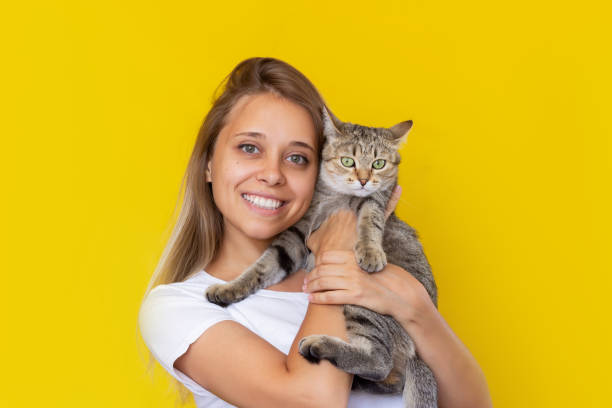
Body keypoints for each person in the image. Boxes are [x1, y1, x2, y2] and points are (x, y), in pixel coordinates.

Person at [138, 57, 493, 408]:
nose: (273, 174)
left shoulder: (388, 280)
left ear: (318, 172)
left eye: (297, 158)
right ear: (208, 165)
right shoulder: (178, 306)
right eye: (249, 148)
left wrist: (417, 307)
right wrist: (334, 252)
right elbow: (314, 402)